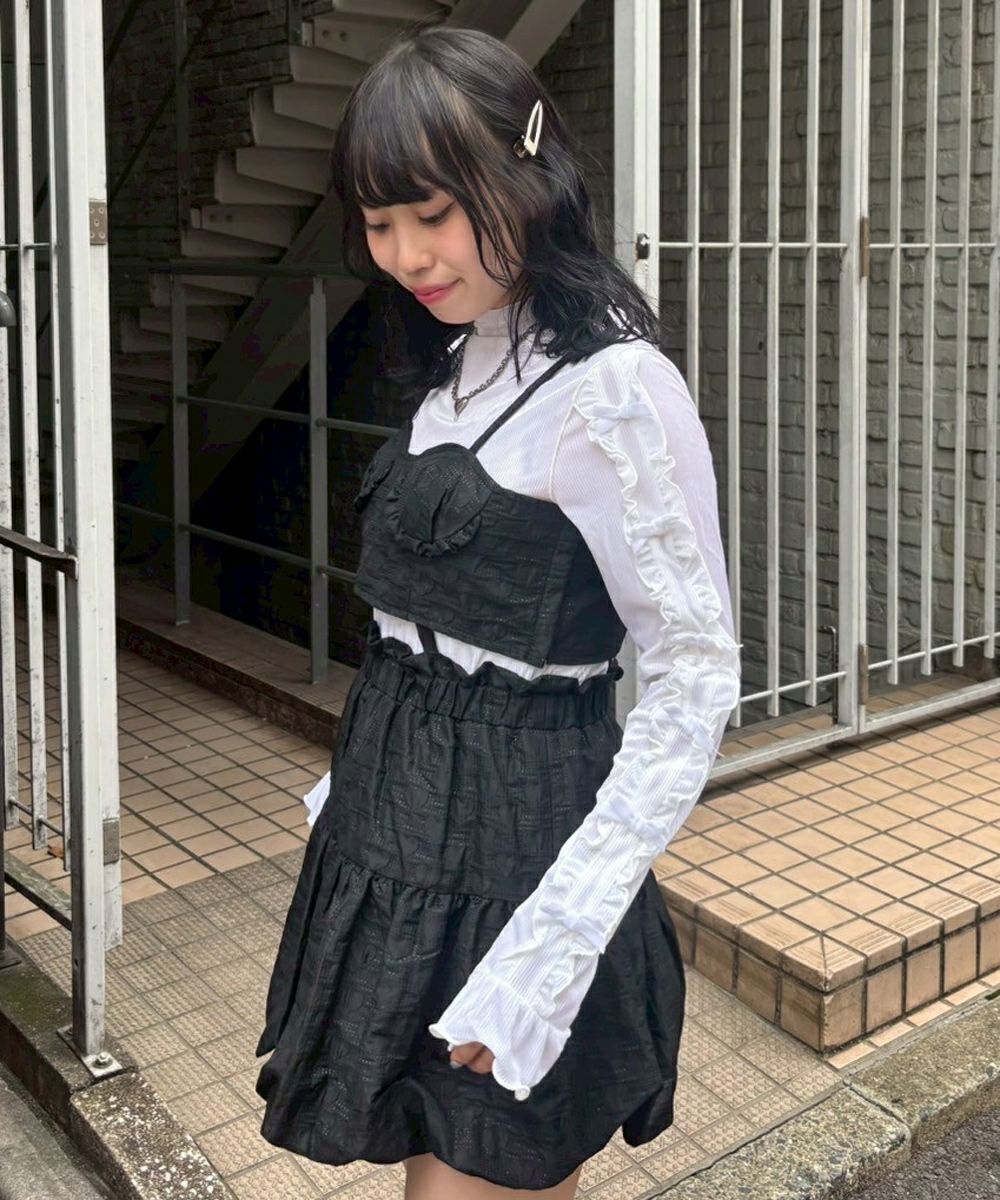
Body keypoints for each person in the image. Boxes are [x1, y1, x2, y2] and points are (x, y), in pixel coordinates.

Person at [254, 24, 741, 1200]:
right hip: (390, 845)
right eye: (379, 223)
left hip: (520, 874)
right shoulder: (459, 358)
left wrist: (552, 950)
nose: (407, 255)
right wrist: (352, 795)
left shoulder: (614, 390)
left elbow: (693, 675)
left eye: (432, 212)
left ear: (526, 176)